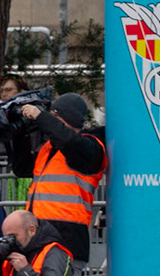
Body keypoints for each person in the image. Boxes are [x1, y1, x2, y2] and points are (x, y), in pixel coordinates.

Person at [20, 94, 106, 264]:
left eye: (55, 117)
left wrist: (41, 117)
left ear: (69, 119)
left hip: (68, 238)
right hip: (39, 235)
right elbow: (21, 169)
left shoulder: (91, 146)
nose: (50, 122)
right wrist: (19, 135)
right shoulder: (48, 148)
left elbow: (69, 141)